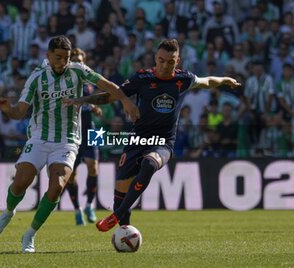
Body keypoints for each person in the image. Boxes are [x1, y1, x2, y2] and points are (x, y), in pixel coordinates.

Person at [64, 39, 240, 232]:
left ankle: (116, 215)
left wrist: (224, 80)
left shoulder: (184, 79)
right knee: (120, 194)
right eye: (161, 60)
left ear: (178, 61)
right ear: (156, 58)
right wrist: (80, 100)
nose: (165, 66)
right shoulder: (142, 78)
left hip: (163, 142)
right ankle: (124, 228)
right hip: (136, 140)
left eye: (170, 62)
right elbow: (110, 96)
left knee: (149, 164)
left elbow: (206, 82)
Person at [0, 35, 139, 253]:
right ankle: (9, 211)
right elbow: (20, 111)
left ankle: (29, 235)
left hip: (67, 140)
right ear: (48, 56)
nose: (63, 62)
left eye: (66, 57)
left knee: (57, 187)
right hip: (39, 137)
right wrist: (8, 110)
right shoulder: (36, 78)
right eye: (58, 57)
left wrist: (125, 100)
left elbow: (108, 85)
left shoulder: (78, 70)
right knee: (22, 181)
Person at [65, 47, 102, 225]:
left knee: (94, 168)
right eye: (75, 59)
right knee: (71, 176)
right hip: (72, 131)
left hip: (92, 129)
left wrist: (95, 108)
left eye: (80, 59)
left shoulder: (90, 81)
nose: (78, 62)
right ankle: (77, 210)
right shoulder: (65, 81)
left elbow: (93, 102)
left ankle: (89, 205)